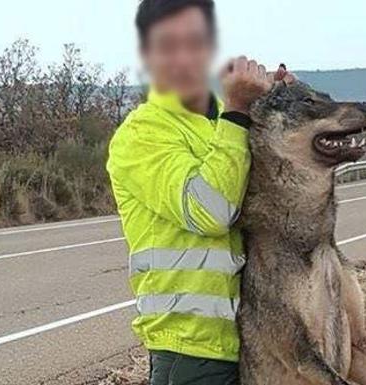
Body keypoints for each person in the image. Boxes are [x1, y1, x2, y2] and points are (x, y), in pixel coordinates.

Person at [106, 1, 285, 384]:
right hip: (189, 352)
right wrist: (237, 110)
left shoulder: (224, 124)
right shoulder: (142, 133)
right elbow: (210, 211)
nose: (183, 56)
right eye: (168, 44)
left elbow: (267, 198)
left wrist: (274, 107)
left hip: (250, 340)